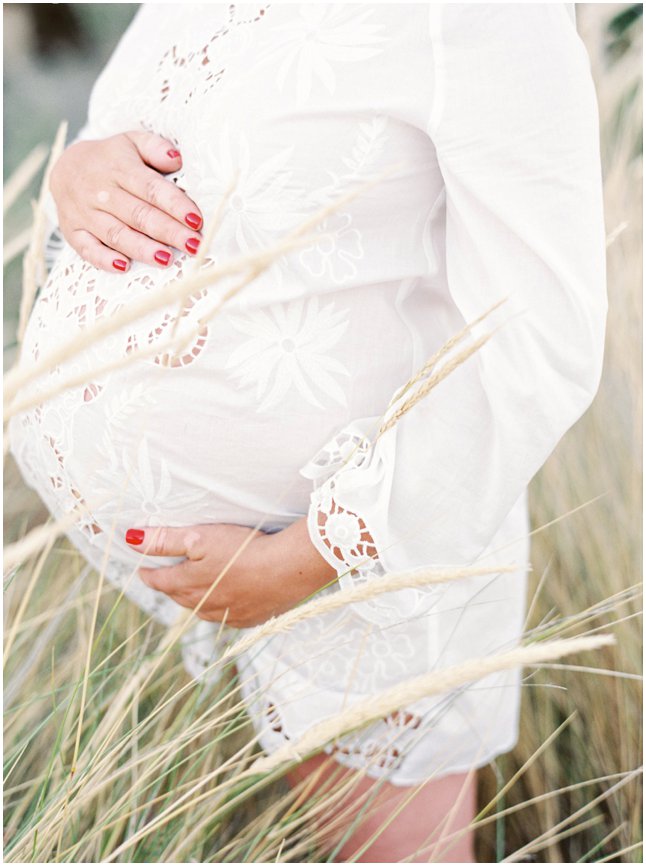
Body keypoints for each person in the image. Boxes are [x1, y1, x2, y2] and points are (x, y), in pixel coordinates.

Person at [8, 3, 607, 862]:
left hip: (355, 568)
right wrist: (78, 174)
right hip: (230, 576)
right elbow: (131, 128)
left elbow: (543, 337)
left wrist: (298, 562)